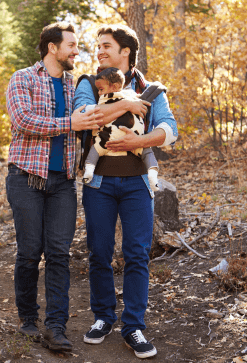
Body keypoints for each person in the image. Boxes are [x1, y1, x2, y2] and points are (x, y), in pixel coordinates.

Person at [73, 24, 178, 359]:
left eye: (106, 46)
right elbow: (85, 116)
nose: (100, 51)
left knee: (136, 254)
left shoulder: (151, 88)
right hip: (99, 184)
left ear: (125, 52)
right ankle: (103, 317)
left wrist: (138, 141)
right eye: (98, 46)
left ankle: (133, 325)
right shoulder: (89, 83)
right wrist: (128, 105)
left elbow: (169, 129)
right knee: (99, 253)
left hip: (136, 184)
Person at [5, 22, 103, 352]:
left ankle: (56, 326)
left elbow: (90, 123)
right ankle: (29, 321)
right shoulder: (23, 78)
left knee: (59, 254)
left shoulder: (76, 85)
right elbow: (23, 121)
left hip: (63, 183)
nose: (77, 51)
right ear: (52, 48)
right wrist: (69, 123)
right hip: (26, 179)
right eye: (72, 45)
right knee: (30, 253)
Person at [81, 67, 160, 191]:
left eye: (101, 90)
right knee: (96, 148)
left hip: (131, 141)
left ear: (115, 86)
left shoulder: (130, 95)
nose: (100, 93)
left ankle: (153, 175)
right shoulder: (127, 98)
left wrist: (139, 140)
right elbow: (89, 116)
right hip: (107, 139)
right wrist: (127, 105)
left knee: (146, 151)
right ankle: (89, 170)